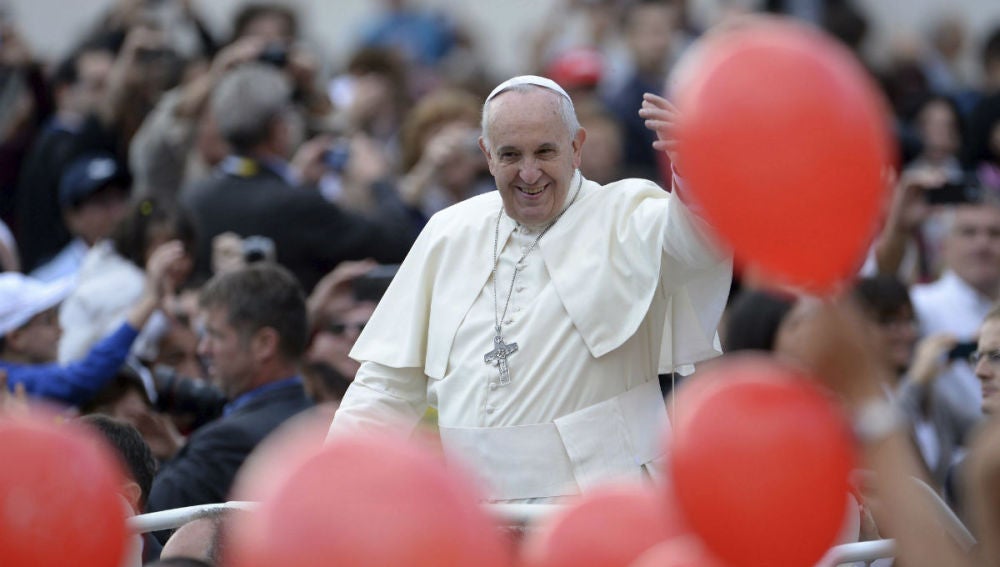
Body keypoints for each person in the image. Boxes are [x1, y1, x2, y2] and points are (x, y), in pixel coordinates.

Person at [328, 75, 731, 502]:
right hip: (479, 510)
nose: (529, 173)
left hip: (601, 499)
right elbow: (387, 384)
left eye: (544, 152)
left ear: (576, 147)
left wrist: (697, 169)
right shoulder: (449, 232)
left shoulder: (626, 215)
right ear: (487, 155)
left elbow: (698, 242)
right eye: (510, 155)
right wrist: (335, 476)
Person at [180, 64, 414, 291]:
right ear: (279, 128)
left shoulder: (194, 197)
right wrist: (379, 181)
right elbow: (397, 244)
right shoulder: (300, 204)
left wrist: (295, 182)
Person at [146, 264, 312, 534]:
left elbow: (143, 525)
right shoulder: (311, 416)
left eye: (215, 335)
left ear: (264, 344)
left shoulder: (228, 442)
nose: (204, 349)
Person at [0, 241, 185, 407]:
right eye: (48, 321)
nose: (61, 330)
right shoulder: (12, 379)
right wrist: (149, 301)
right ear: (16, 337)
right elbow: (82, 377)